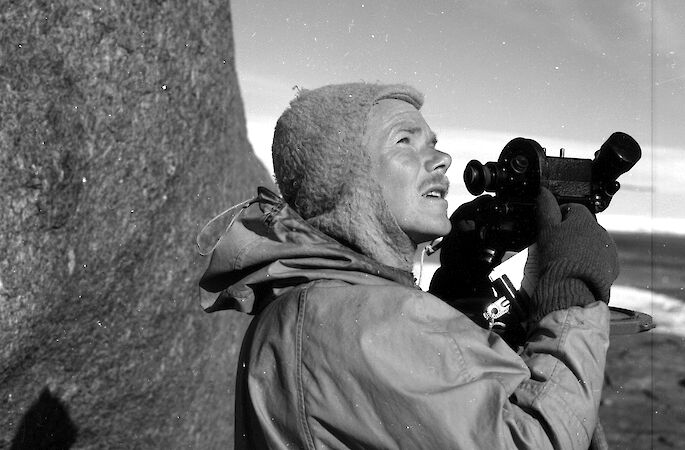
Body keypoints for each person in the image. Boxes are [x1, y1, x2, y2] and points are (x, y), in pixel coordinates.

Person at [197, 82, 618, 449]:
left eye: (433, 142)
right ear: (346, 178)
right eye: (404, 141)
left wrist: (458, 294)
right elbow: (534, 440)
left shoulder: (324, 301)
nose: (443, 158)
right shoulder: (351, 319)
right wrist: (572, 292)